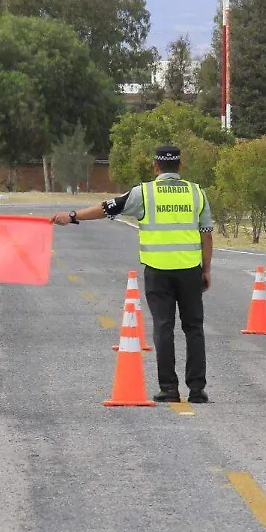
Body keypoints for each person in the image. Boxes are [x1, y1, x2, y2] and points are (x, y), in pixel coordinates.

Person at [52, 145, 214, 404]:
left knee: (164, 328)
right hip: (189, 271)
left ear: (155, 166)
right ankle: (197, 390)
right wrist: (206, 269)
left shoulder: (144, 193)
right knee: (193, 328)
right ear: (180, 167)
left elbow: (107, 208)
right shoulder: (197, 193)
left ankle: (169, 388)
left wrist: (72, 216)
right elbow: (206, 233)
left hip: (158, 271)